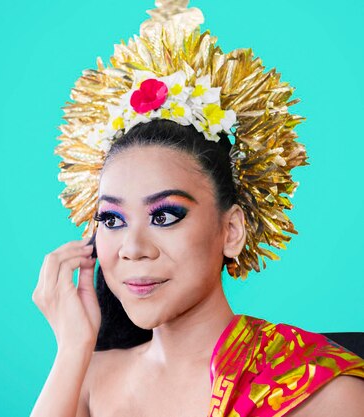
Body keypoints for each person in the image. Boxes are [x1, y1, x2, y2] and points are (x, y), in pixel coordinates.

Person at [30, 1, 364, 416]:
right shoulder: (87, 380)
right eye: (112, 219)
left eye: (165, 215)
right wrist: (72, 348)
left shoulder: (318, 391)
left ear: (232, 231)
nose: (132, 248)